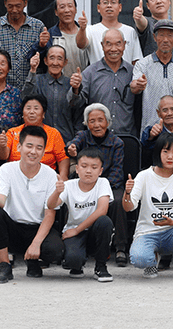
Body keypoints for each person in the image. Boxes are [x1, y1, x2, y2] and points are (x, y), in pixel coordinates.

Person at [0, 125, 65, 283]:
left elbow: (50, 214)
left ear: (43, 151)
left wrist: (36, 244)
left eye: (39, 148)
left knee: (56, 251)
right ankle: (4, 266)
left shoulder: (50, 174)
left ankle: (33, 261)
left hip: (37, 228)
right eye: (29, 146)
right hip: (13, 227)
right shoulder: (7, 169)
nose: (33, 151)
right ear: (19, 147)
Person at [124, 132, 173, 281]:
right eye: (165, 151)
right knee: (138, 259)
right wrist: (127, 193)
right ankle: (152, 261)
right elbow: (129, 207)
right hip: (147, 233)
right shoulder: (144, 176)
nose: (170, 156)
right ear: (158, 152)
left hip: (172, 233)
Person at [67, 103, 130, 265]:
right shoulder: (82, 136)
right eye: (92, 121)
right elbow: (72, 145)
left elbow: (117, 173)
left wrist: (99, 188)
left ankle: (120, 247)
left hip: (109, 185)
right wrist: (72, 149)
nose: (96, 125)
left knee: (117, 201)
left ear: (108, 122)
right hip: (83, 183)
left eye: (100, 120)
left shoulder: (117, 143)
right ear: (87, 124)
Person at [47, 148, 115, 281]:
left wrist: (77, 230)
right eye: (84, 166)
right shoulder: (69, 185)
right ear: (77, 169)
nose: (88, 171)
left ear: (100, 171)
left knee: (105, 222)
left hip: (93, 231)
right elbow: (51, 205)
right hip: (74, 230)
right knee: (73, 261)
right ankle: (77, 263)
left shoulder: (103, 183)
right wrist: (56, 192)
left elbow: (102, 210)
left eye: (94, 167)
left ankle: (101, 266)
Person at [132, 20, 173, 128]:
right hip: (151, 128)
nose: (165, 40)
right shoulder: (142, 64)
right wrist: (138, 84)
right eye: (161, 35)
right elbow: (134, 87)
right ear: (154, 37)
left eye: (170, 36)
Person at [74, 28, 137, 135]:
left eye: (118, 44)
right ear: (102, 45)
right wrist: (75, 89)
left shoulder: (133, 73)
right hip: (98, 138)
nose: (113, 49)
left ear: (124, 45)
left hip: (126, 136)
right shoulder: (90, 73)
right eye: (109, 44)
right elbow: (75, 105)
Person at [0, 94, 69, 177]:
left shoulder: (53, 133)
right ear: (23, 112)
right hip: (16, 177)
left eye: (36, 108)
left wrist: (63, 178)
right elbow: (3, 156)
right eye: (28, 108)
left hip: (45, 178)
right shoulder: (12, 132)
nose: (32, 112)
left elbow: (62, 158)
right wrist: (2, 146)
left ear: (43, 113)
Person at [0, 0, 49, 85]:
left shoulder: (38, 26)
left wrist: (42, 45)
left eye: (18, 6)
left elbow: (45, 60)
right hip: (4, 88)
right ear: (5, 4)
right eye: (10, 6)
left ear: (25, 3)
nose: (14, 10)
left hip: (32, 86)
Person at [24, 44, 77, 140]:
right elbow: (25, 98)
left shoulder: (71, 84)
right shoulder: (37, 80)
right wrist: (32, 70)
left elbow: (77, 114)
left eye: (60, 59)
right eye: (51, 58)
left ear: (65, 62)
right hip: (41, 140)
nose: (55, 63)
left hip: (65, 139)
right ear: (45, 61)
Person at [78, 0, 140, 64]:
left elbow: (136, 60)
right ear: (98, 8)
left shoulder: (130, 31)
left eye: (113, 2)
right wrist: (82, 29)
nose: (109, 5)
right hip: (98, 75)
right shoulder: (90, 30)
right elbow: (81, 45)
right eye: (105, 2)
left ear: (120, 7)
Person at [45, 0, 90, 76]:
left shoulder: (87, 33)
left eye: (70, 6)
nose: (67, 10)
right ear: (56, 12)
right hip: (59, 86)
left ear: (75, 10)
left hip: (85, 85)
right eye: (62, 7)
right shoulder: (50, 35)